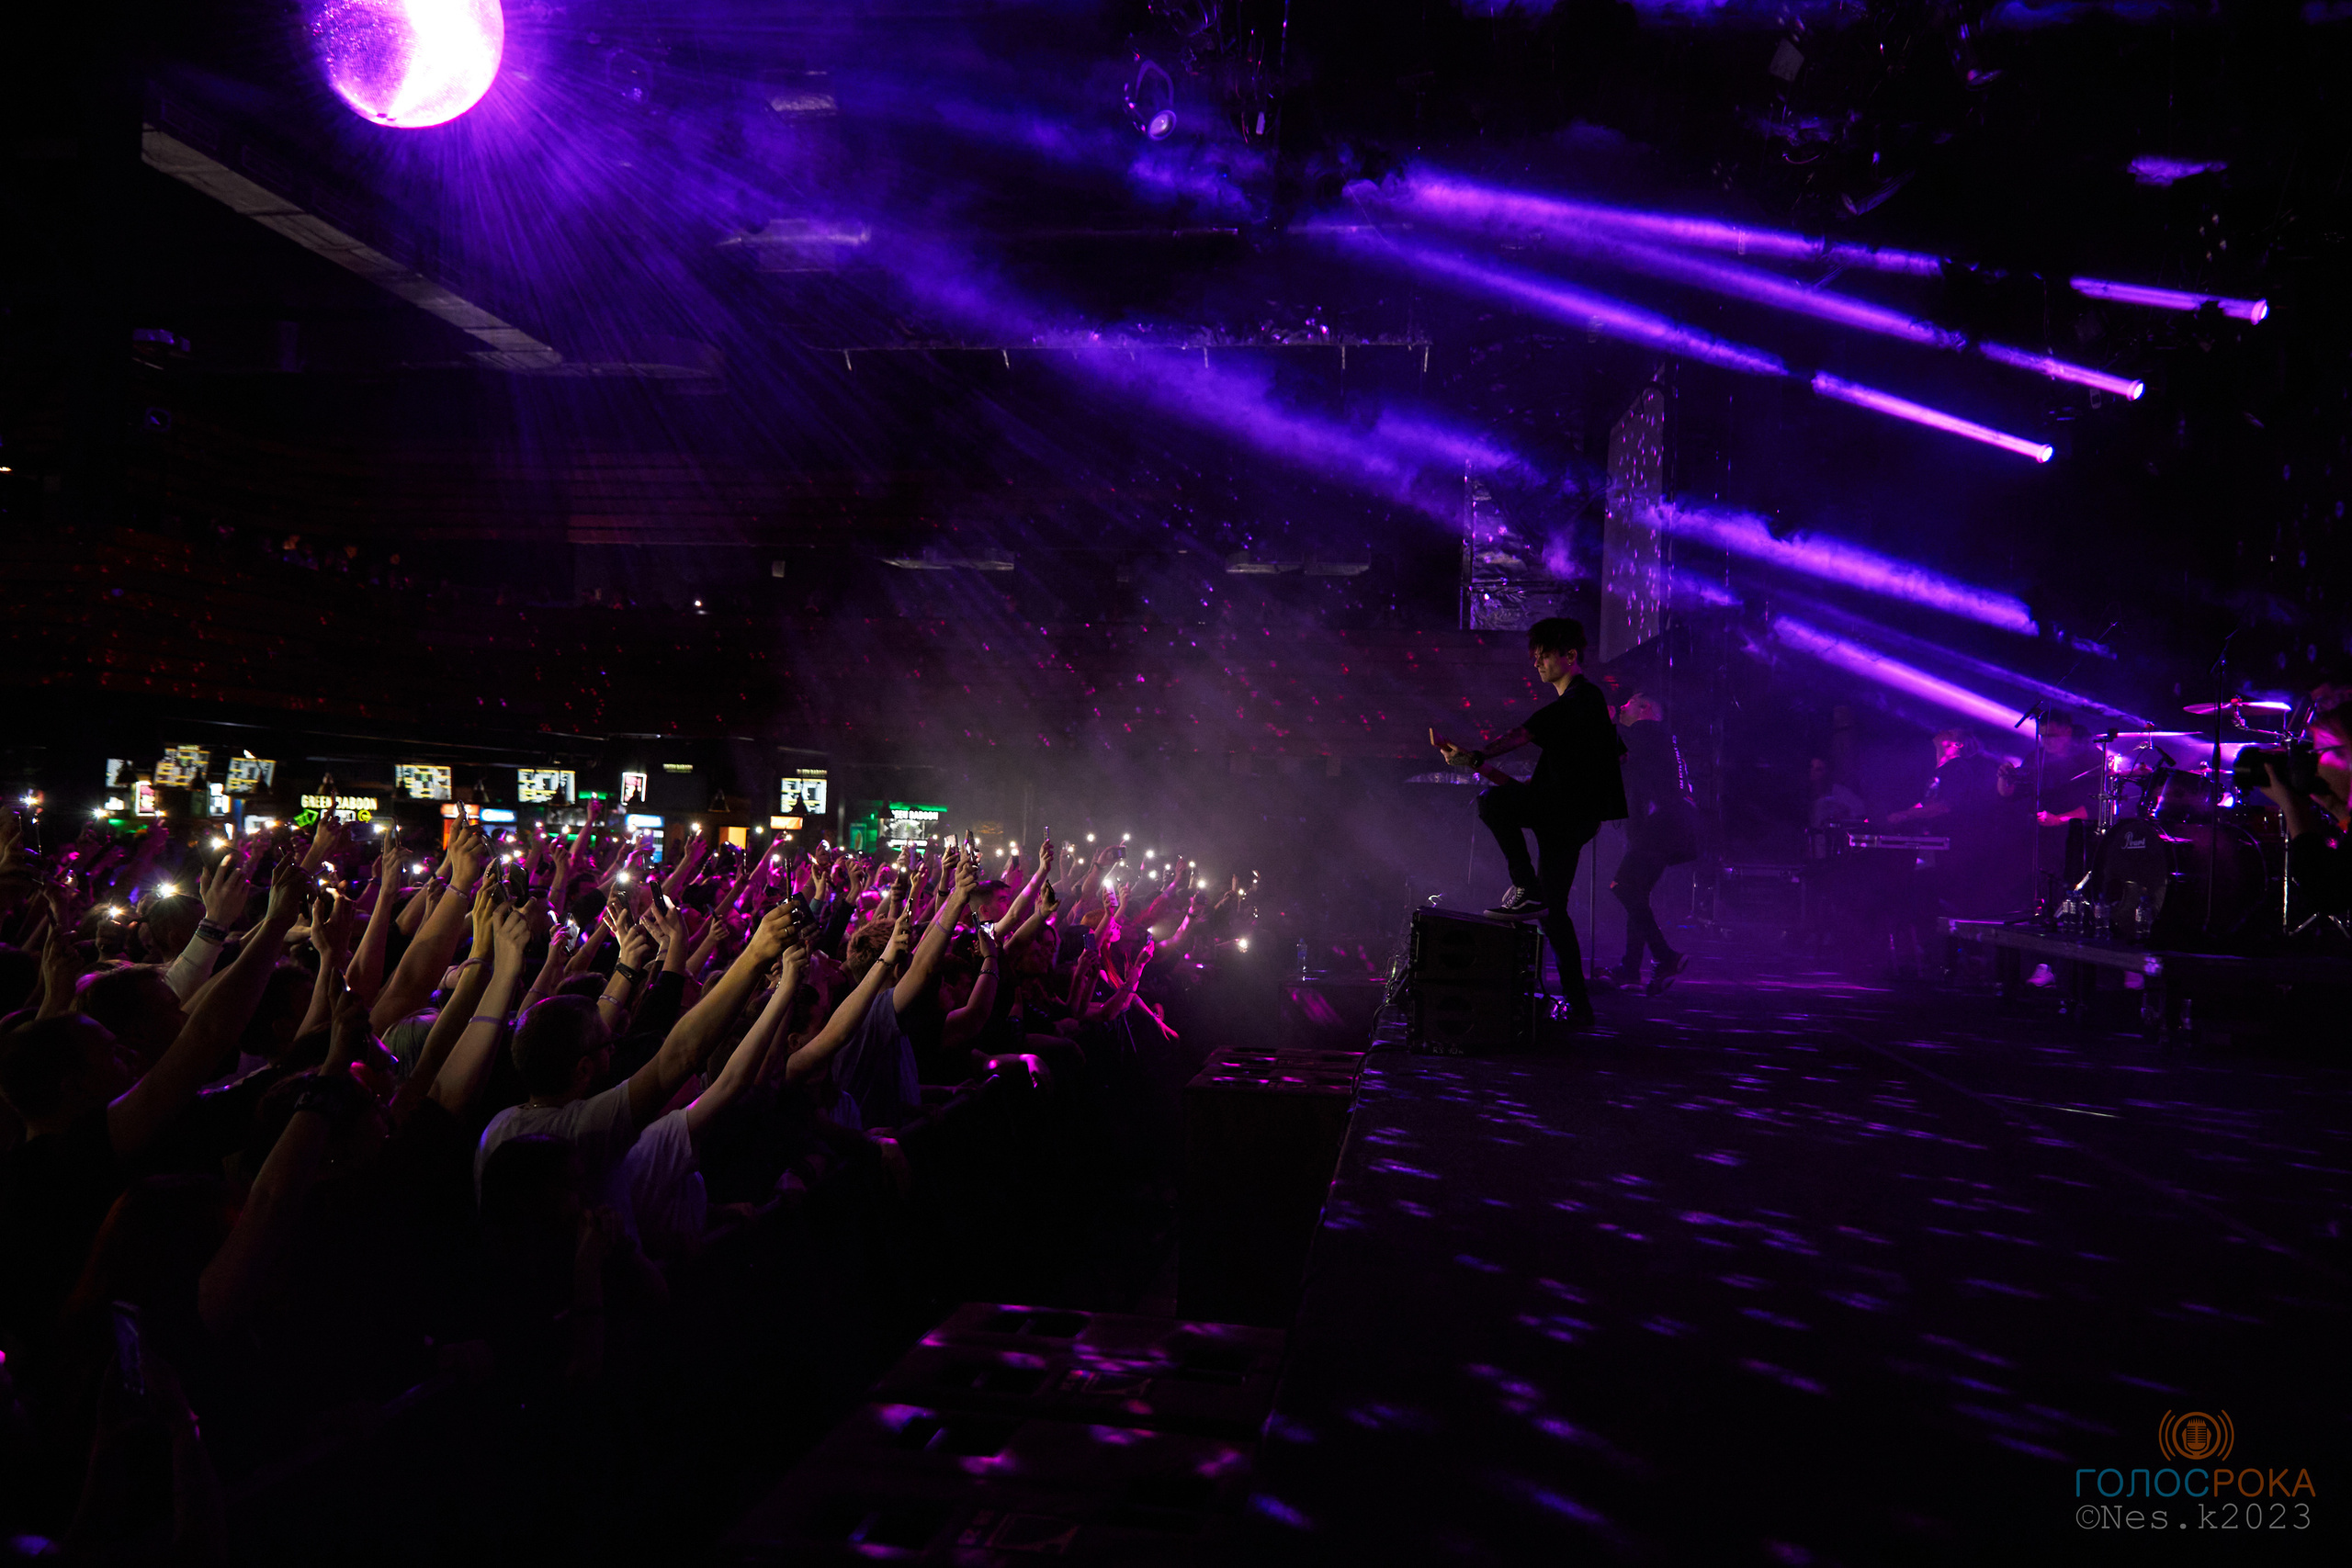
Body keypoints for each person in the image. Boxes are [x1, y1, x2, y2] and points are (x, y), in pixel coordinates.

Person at [1433, 617, 1629, 1023]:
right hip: (1560, 813)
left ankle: (1525, 885)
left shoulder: (1583, 699)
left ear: (1569, 656)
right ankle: (1581, 1007)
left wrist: (1478, 755)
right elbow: (1531, 786)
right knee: (1553, 914)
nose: (1536, 664)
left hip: (1565, 815)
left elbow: (1523, 734)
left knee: (1493, 804)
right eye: (1535, 657)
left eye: (1543, 656)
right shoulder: (1579, 716)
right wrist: (1475, 762)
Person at [1608, 694, 1698, 995]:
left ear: (1645, 710)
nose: (1621, 707)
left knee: (1622, 886)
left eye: (1627, 704)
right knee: (1637, 892)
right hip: (1679, 820)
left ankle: (1665, 956)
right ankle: (1631, 969)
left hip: (1667, 819)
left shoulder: (1648, 731)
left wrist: (1604, 718)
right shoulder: (1660, 740)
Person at [1886, 728, 2022, 918]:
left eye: (1949, 732)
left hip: (1953, 847)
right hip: (1938, 846)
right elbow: (1928, 803)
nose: (1942, 731)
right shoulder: (1941, 771)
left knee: (1948, 902)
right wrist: (1902, 814)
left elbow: (1944, 806)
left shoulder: (1956, 769)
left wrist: (1906, 815)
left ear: (1958, 745)